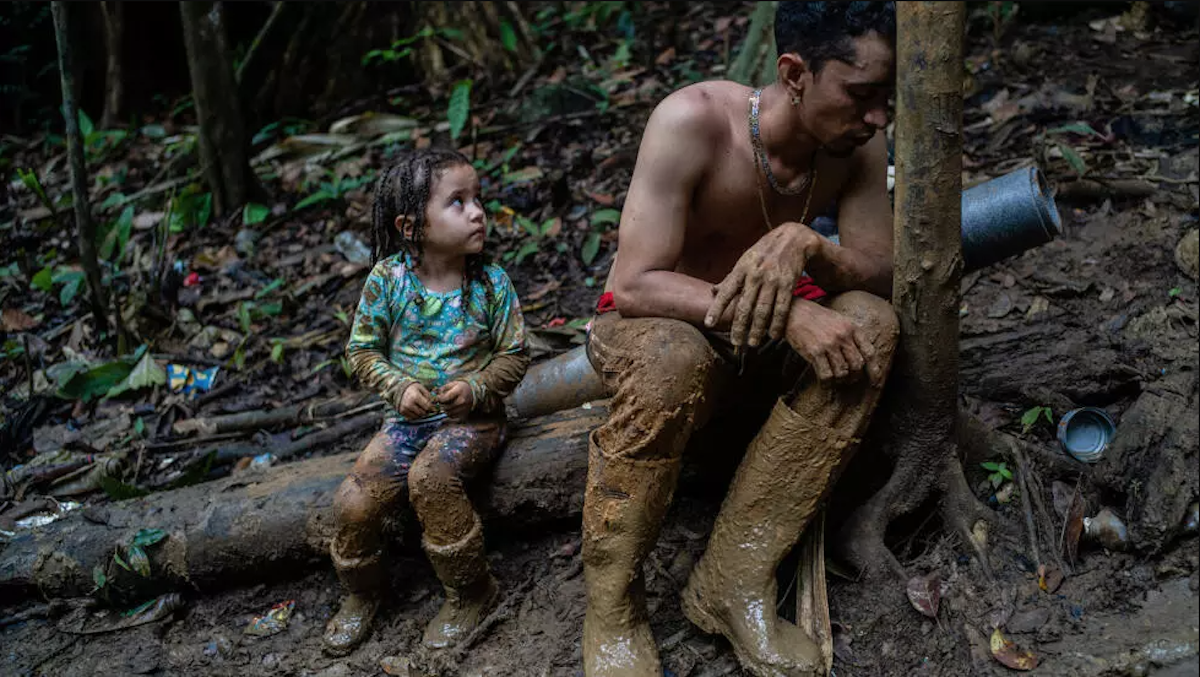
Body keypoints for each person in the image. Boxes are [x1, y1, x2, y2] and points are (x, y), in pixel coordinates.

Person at [581, 3, 899, 676]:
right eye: (862, 96)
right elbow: (634, 284)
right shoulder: (691, 122)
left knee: (872, 325)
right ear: (794, 73)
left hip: (752, 346)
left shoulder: (857, 145)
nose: (878, 117)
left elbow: (883, 266)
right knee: (674, 356)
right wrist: (785, 313)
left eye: (886, 98)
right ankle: (612, 608)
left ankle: (733, 577)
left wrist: (812, 243)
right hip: (656, 327)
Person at [322, 148, 530, 656]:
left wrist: (477, 388)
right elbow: (362, 351)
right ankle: (362, 594)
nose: (478, 211)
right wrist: (399, 387)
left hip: (474, 423)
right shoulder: (387, 282)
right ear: (411, 226)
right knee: (353, 501)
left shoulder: (491, 284)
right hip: (405, 424)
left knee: (432, 479)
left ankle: (471, 591)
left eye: (477, 198)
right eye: (458, 202)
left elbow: (516, 354)